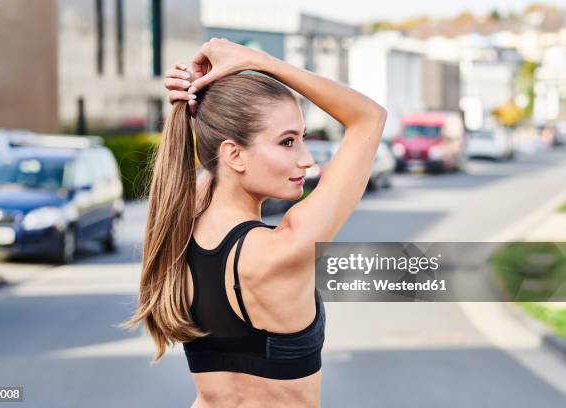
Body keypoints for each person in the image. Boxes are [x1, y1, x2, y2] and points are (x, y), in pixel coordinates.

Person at [120, 38, 387, 408]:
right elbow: (368, 117)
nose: (307, 159)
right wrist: (262, 62)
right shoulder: (283, 251)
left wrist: (201, 102)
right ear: (234, 155)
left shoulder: (177, 230)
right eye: (288, 142)